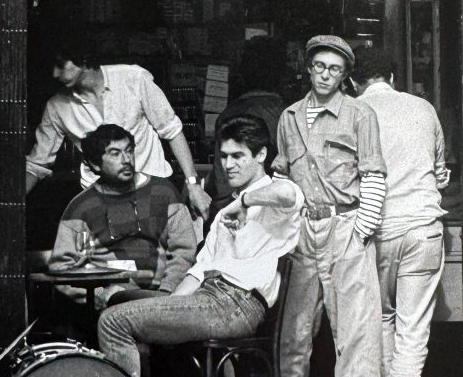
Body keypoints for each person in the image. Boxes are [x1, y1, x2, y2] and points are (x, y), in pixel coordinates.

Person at [98, 114, 304, 377]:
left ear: (261, 154)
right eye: (223, 156)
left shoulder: (274, 194)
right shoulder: (224, 214)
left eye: (238, 156)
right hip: (208, 298)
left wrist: (244, 201)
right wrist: (167, 308)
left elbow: (290, 196)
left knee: (112, 322)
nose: (228, 165)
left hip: (237, 303)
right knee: (119, 299)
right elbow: (198, 272)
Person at [272, 35, 390, 377]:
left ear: (346, 75)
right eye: (319, 66)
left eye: (335, 69)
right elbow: (282, 177)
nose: (325, 75)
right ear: (308, 67)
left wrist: (361, 229)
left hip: (345, 227)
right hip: (303, 230)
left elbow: (375, 175)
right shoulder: (288, 117)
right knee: (295, 331)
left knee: (358, 332)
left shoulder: (360, 114)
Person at [350, 46, 450, 377]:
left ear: (353, 81)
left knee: (380, 327)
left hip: (375, 234)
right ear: (393, 75)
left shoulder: (351, 113)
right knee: (413, 334)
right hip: (423, 228)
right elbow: (441, 173)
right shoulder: (423, 109)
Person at [26, 38, 210, 219]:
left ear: (82, 59)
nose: (55, 74)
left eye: (60, 65)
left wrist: (193, 185)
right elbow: (37, 163)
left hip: (153, 191)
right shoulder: (56, 106)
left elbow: (172, 130)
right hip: (101, 201)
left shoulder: (133, 78)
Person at [49, 124, 197, 308]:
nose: (126, 159)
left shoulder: (163, 193)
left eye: (129, 151)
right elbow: (62, 268)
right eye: (115, 153)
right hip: (110, 302)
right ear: (95, 164)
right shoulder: (82, 208)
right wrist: (99, 296)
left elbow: (183, 253)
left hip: (162, 298)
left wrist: (166, 296)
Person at [205, 36, 286, 217]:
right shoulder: (286, 115)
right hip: (274, 213)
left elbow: (222, 180)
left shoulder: (227, 115)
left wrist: (224, 211)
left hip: (234, 210)